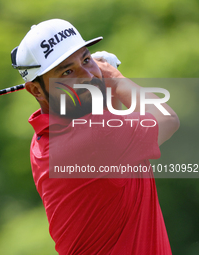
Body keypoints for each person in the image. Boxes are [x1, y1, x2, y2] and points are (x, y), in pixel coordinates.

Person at [11, 19, 179, 255]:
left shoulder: (47, 136)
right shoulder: (91, 138)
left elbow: (110, 124)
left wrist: (105, 84)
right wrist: (114, 76)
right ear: (35, 90)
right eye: (67, 71)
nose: (88, 76)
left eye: (86, 60)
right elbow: (167, 119)